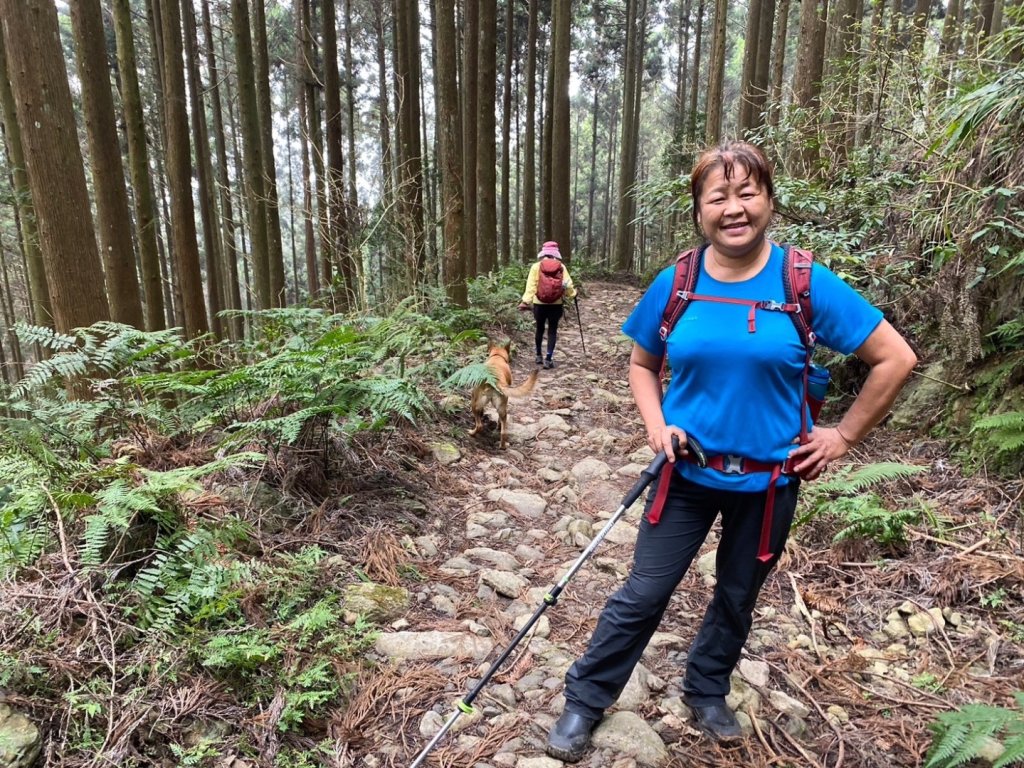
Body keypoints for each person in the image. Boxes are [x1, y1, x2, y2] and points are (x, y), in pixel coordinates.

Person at [545, 141, 917, 762]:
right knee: (644, 592)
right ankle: (585, 700)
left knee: (738, 592)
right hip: (686, 471)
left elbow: (894, 357)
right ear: (699, 211)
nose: (734, 208)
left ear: (769, 200)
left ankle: (708, 686)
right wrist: (656, 425)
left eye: (747, 193)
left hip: (772, 480)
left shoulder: (803, 282)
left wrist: (843, 436)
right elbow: (642, 364)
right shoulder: (679, 282)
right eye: (718, 197)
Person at [518, 241, 578, 369]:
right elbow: (567, 284)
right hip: (556, 304)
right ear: (556, 253)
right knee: (552, 330)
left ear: (543, 252)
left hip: (539, 304)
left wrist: (525, 301)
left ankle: (538, 355)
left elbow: (531, 286)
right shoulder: (561, 267)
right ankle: (549, 358)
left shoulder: (536, 267)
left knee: (539, 328)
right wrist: (572, 294)